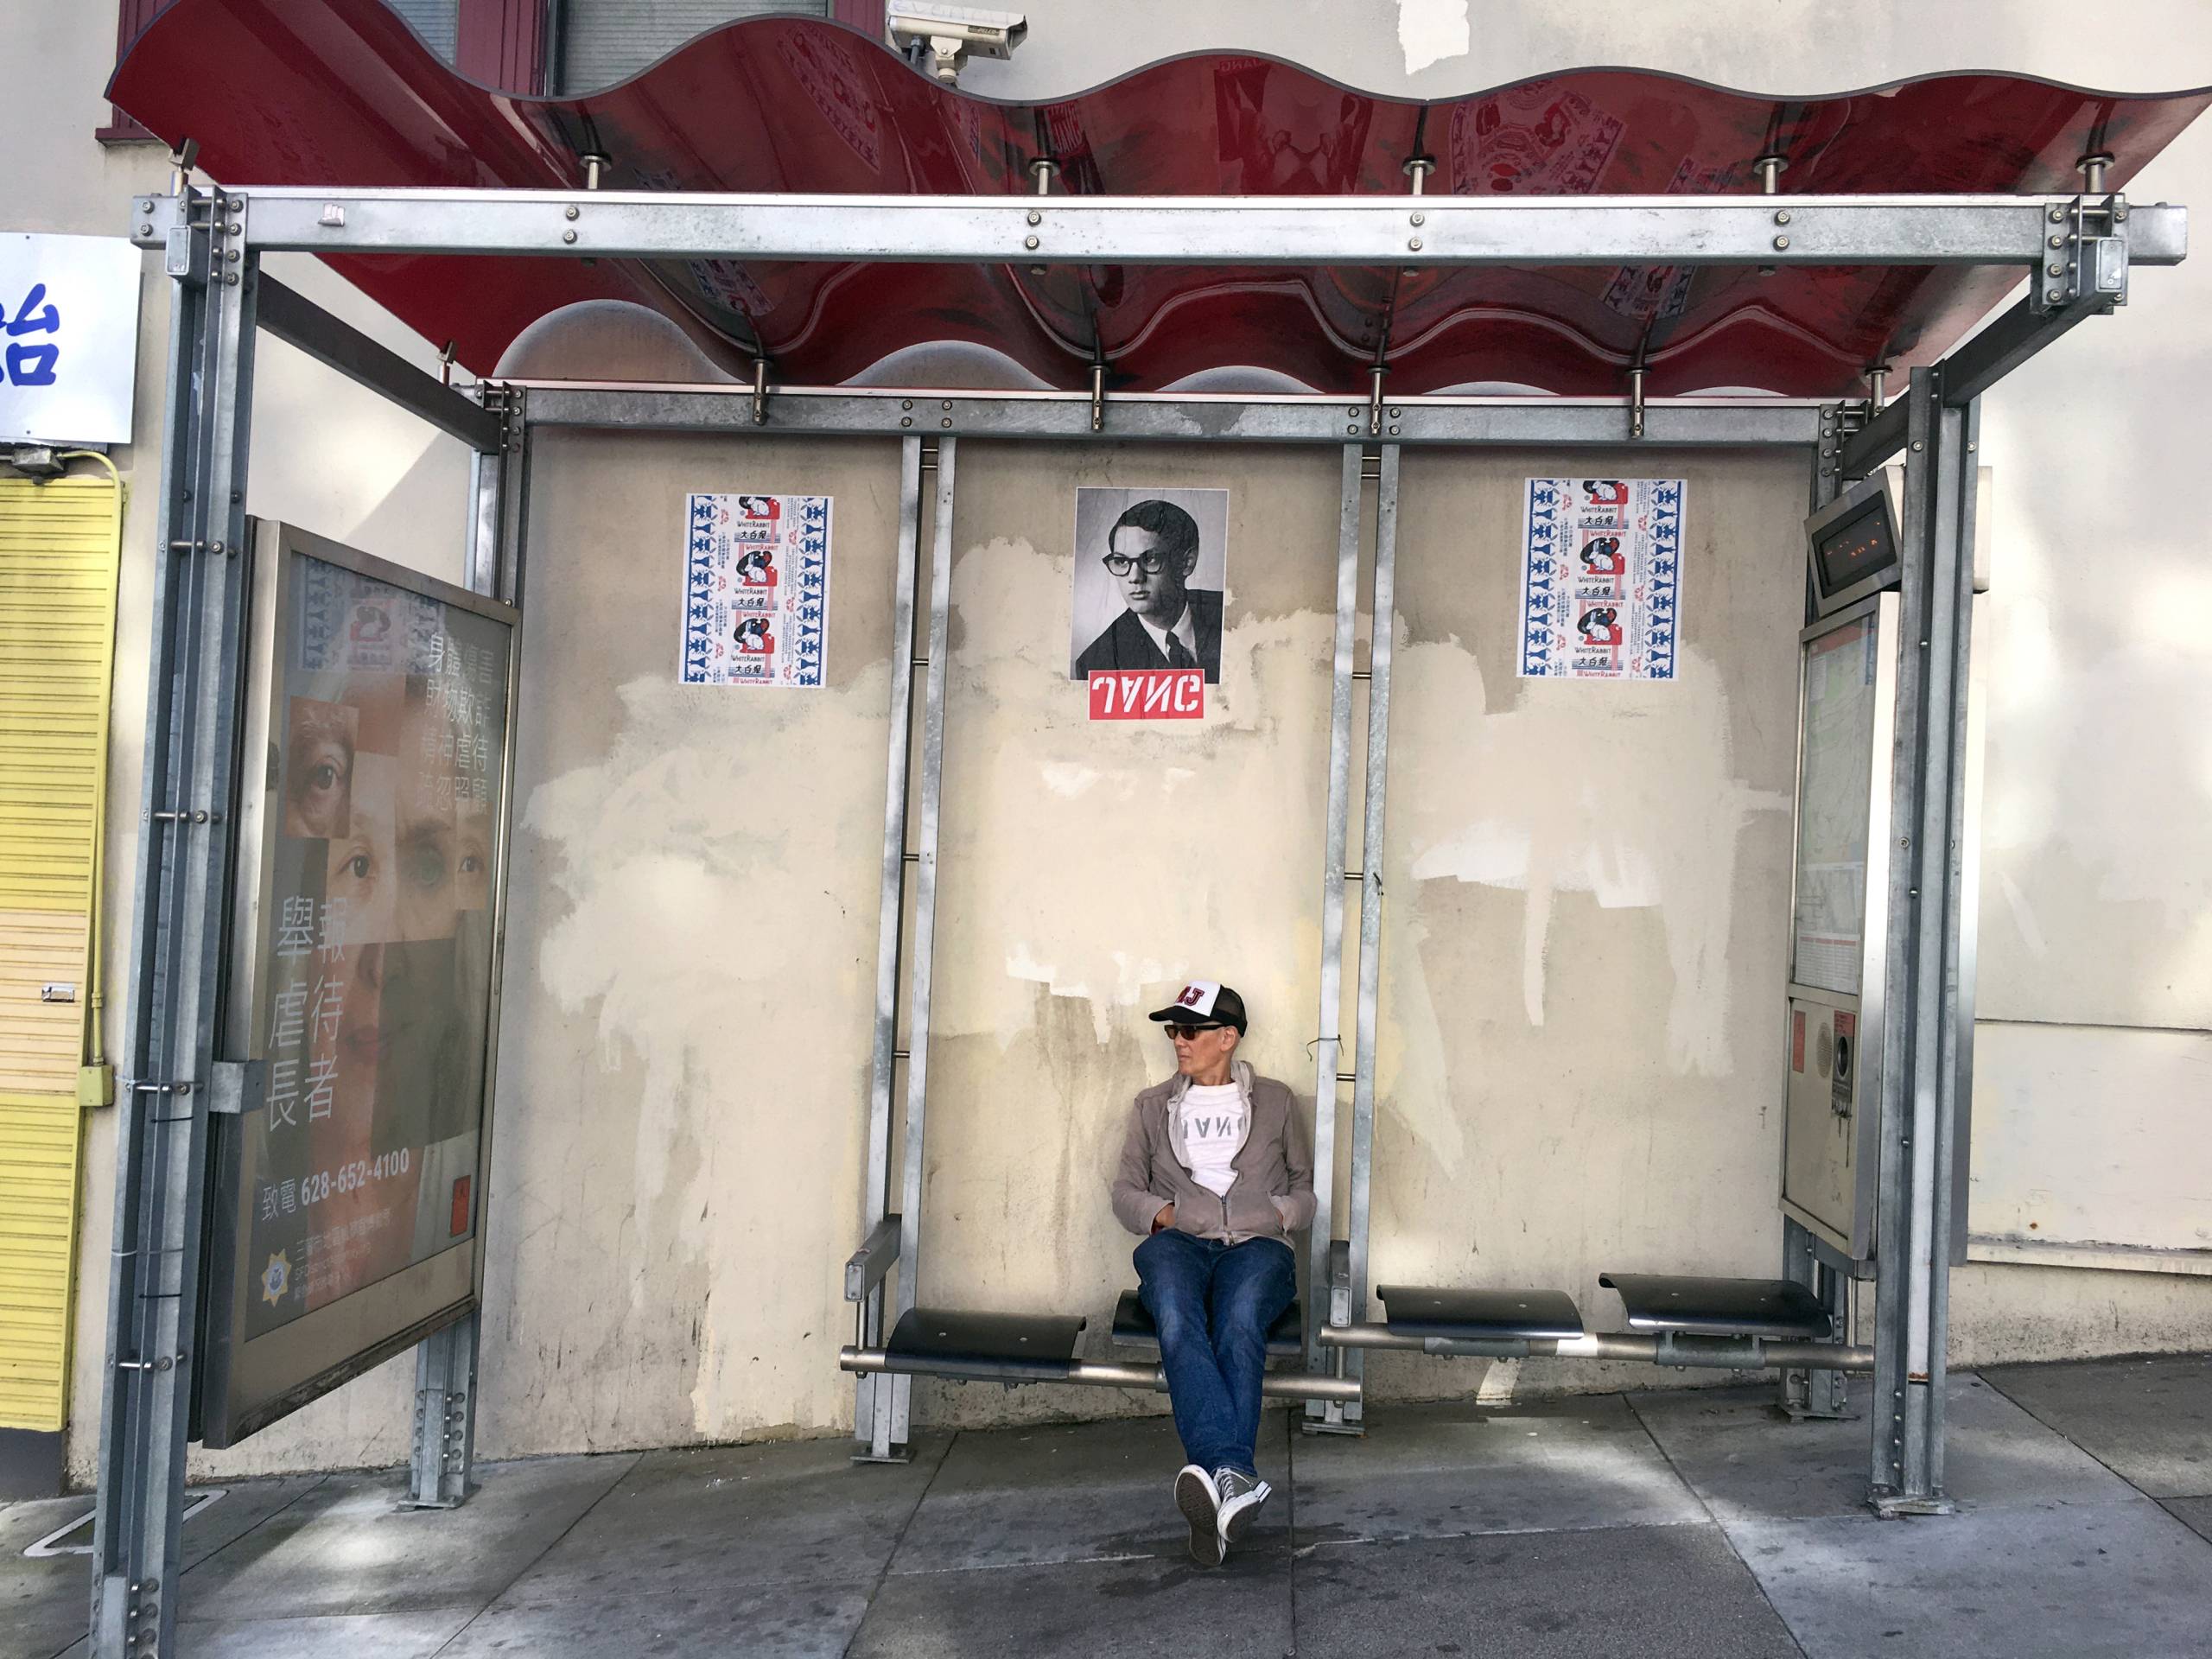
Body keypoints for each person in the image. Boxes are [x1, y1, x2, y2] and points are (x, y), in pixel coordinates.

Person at [1111, 981, 1315, 1567]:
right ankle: (1233, 1475)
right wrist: (1168, 1213)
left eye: (1189, 1030)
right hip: (1177, 1244)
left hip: (1256, 1248)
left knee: (1240, 1319)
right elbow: (1125, 1192)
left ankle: (1218, 1482)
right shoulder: (1151, 1107)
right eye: (1171, 1030)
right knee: (1175, 1316)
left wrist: (1277, 1214)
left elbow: (1304, 1189)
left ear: (1227, 1038)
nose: (1177, 1040)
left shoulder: (1276, 1101)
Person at [1074, 499, 1224, 683]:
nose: (1134, 577)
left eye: (1150, 559)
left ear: (1186, 563)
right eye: (1121, 561)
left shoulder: (1230, 614)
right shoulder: (1096, 664)